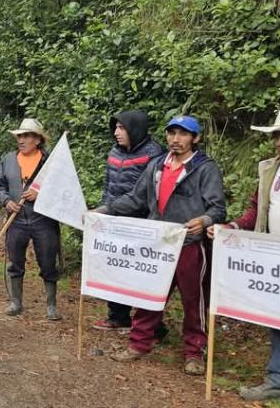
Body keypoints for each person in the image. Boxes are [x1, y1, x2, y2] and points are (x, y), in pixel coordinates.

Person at [100, 115, 226, 376]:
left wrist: (204, 220)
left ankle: (194, 352)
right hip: (158, 244)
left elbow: (218, 208)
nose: (175, 139)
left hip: (190, 244)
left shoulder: (204, 167)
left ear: (195, 138)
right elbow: (136, 199)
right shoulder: (157, 165)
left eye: (182, 134)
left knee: (194, 301)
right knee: (149, 294)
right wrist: (105, 210)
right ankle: (139, 343)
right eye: (171, 133)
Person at [209, 108, 280, 401]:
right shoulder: (270, 170)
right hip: (279, 263)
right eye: (277, 136)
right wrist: (232, 226)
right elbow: (256, 210)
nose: (279, 142)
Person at [93, 111, 167, 333]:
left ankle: (153, 327)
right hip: (114, 220)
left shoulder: (154, 155)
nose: (116, 133)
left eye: (122, 128)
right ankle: (118, 316)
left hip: (140, 223)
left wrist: (111, 209)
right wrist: (104, 211)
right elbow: (108, 185)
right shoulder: (114, 152)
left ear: (135, 129)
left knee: (140, 274)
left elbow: (145, 194)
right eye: (115, 128)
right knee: (114, 269)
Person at [0, 118, 63, 320]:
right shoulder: (8, 159)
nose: (21, 140)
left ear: (38, 140)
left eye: (26, 136)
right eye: (20, 136)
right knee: (15, 262)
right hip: (15, 221)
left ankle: (51, 306)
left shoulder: (50, 162)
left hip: (44, 221)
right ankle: (16, 302)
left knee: (48, 262)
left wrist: (41, 195)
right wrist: (6, 201)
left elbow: (61, 191)